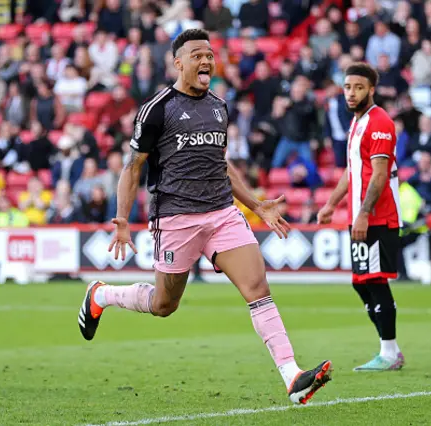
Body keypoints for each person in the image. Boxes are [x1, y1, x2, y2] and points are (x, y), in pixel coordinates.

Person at [76, 29, 332, 405]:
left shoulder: (218, 106)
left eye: (210, 55)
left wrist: (256, 204)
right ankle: (102, 294)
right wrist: (122, 218)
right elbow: (132, 168)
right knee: (165, 305)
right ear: (178, 62)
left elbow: (221, 164)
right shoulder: (157, 109)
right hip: (176, 218)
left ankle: (292, 375)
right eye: (197, 55)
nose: (207, 61)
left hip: (222, 214)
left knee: (258, 289)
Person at [317, 62, 404, 372]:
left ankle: (390, 352)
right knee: (360, 282)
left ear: (371, 89)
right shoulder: (358, 123)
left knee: (375, 281)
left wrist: (364, 214)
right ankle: (390, 348)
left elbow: (379, 175)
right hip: (361, 215)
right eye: (347, 87)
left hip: (378, 216)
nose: (351, 93)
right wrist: (331, 203)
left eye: (358, 87)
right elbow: (354, 171)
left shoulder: (379, 122)